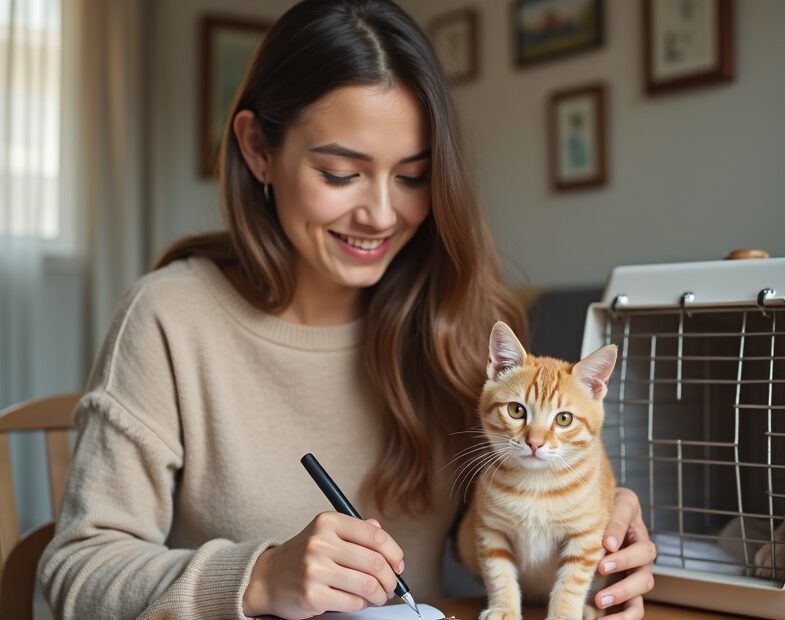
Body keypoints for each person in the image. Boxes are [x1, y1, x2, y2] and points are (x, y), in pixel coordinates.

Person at [39, 1, 656, 618]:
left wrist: (594, 526)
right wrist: (259, 577)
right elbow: (76, 572)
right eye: (340, 173)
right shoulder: (169, 319)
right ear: (257, 149)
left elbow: (485, 552)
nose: (381, 215)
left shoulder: (456, 320)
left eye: (412, 177)